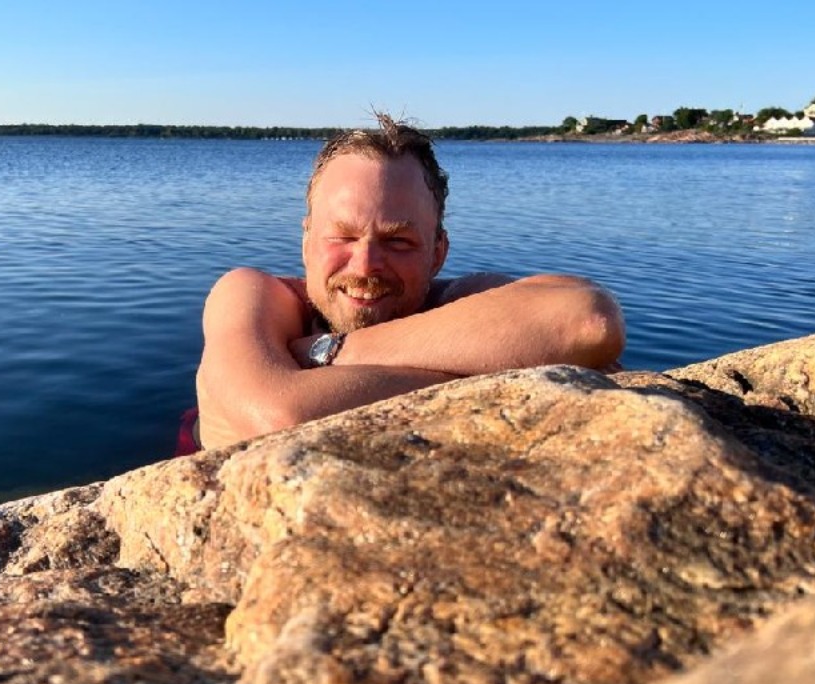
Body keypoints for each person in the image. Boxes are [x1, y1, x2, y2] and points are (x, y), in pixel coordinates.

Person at [185, 113, 624, 453]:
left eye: (398, 241)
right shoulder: (255, 294)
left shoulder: (455, 300)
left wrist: (334, 352)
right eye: (342, 237)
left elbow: (587, 322)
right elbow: (281, 419)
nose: (365, 265)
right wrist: (481, 372)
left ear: (438, 253)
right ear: (306, 242)